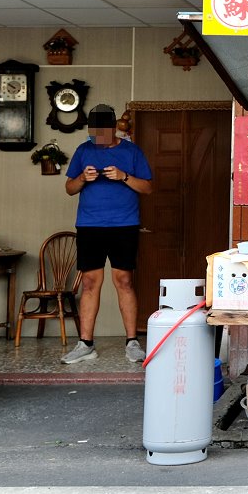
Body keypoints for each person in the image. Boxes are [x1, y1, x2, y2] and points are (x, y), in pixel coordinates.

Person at [61, 104, 153, 365]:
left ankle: (132, 342)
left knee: (124, 281)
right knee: (90, 283)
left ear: (114, 129)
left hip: (124, 225)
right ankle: (86, 343)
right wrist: (81, 178)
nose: (96, 137)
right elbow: (69, 188)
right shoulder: (83, 150)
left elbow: (147, 188)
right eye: (93, 132)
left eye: (101, 132)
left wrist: (124, 176)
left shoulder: (132, 151)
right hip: (89, 225)